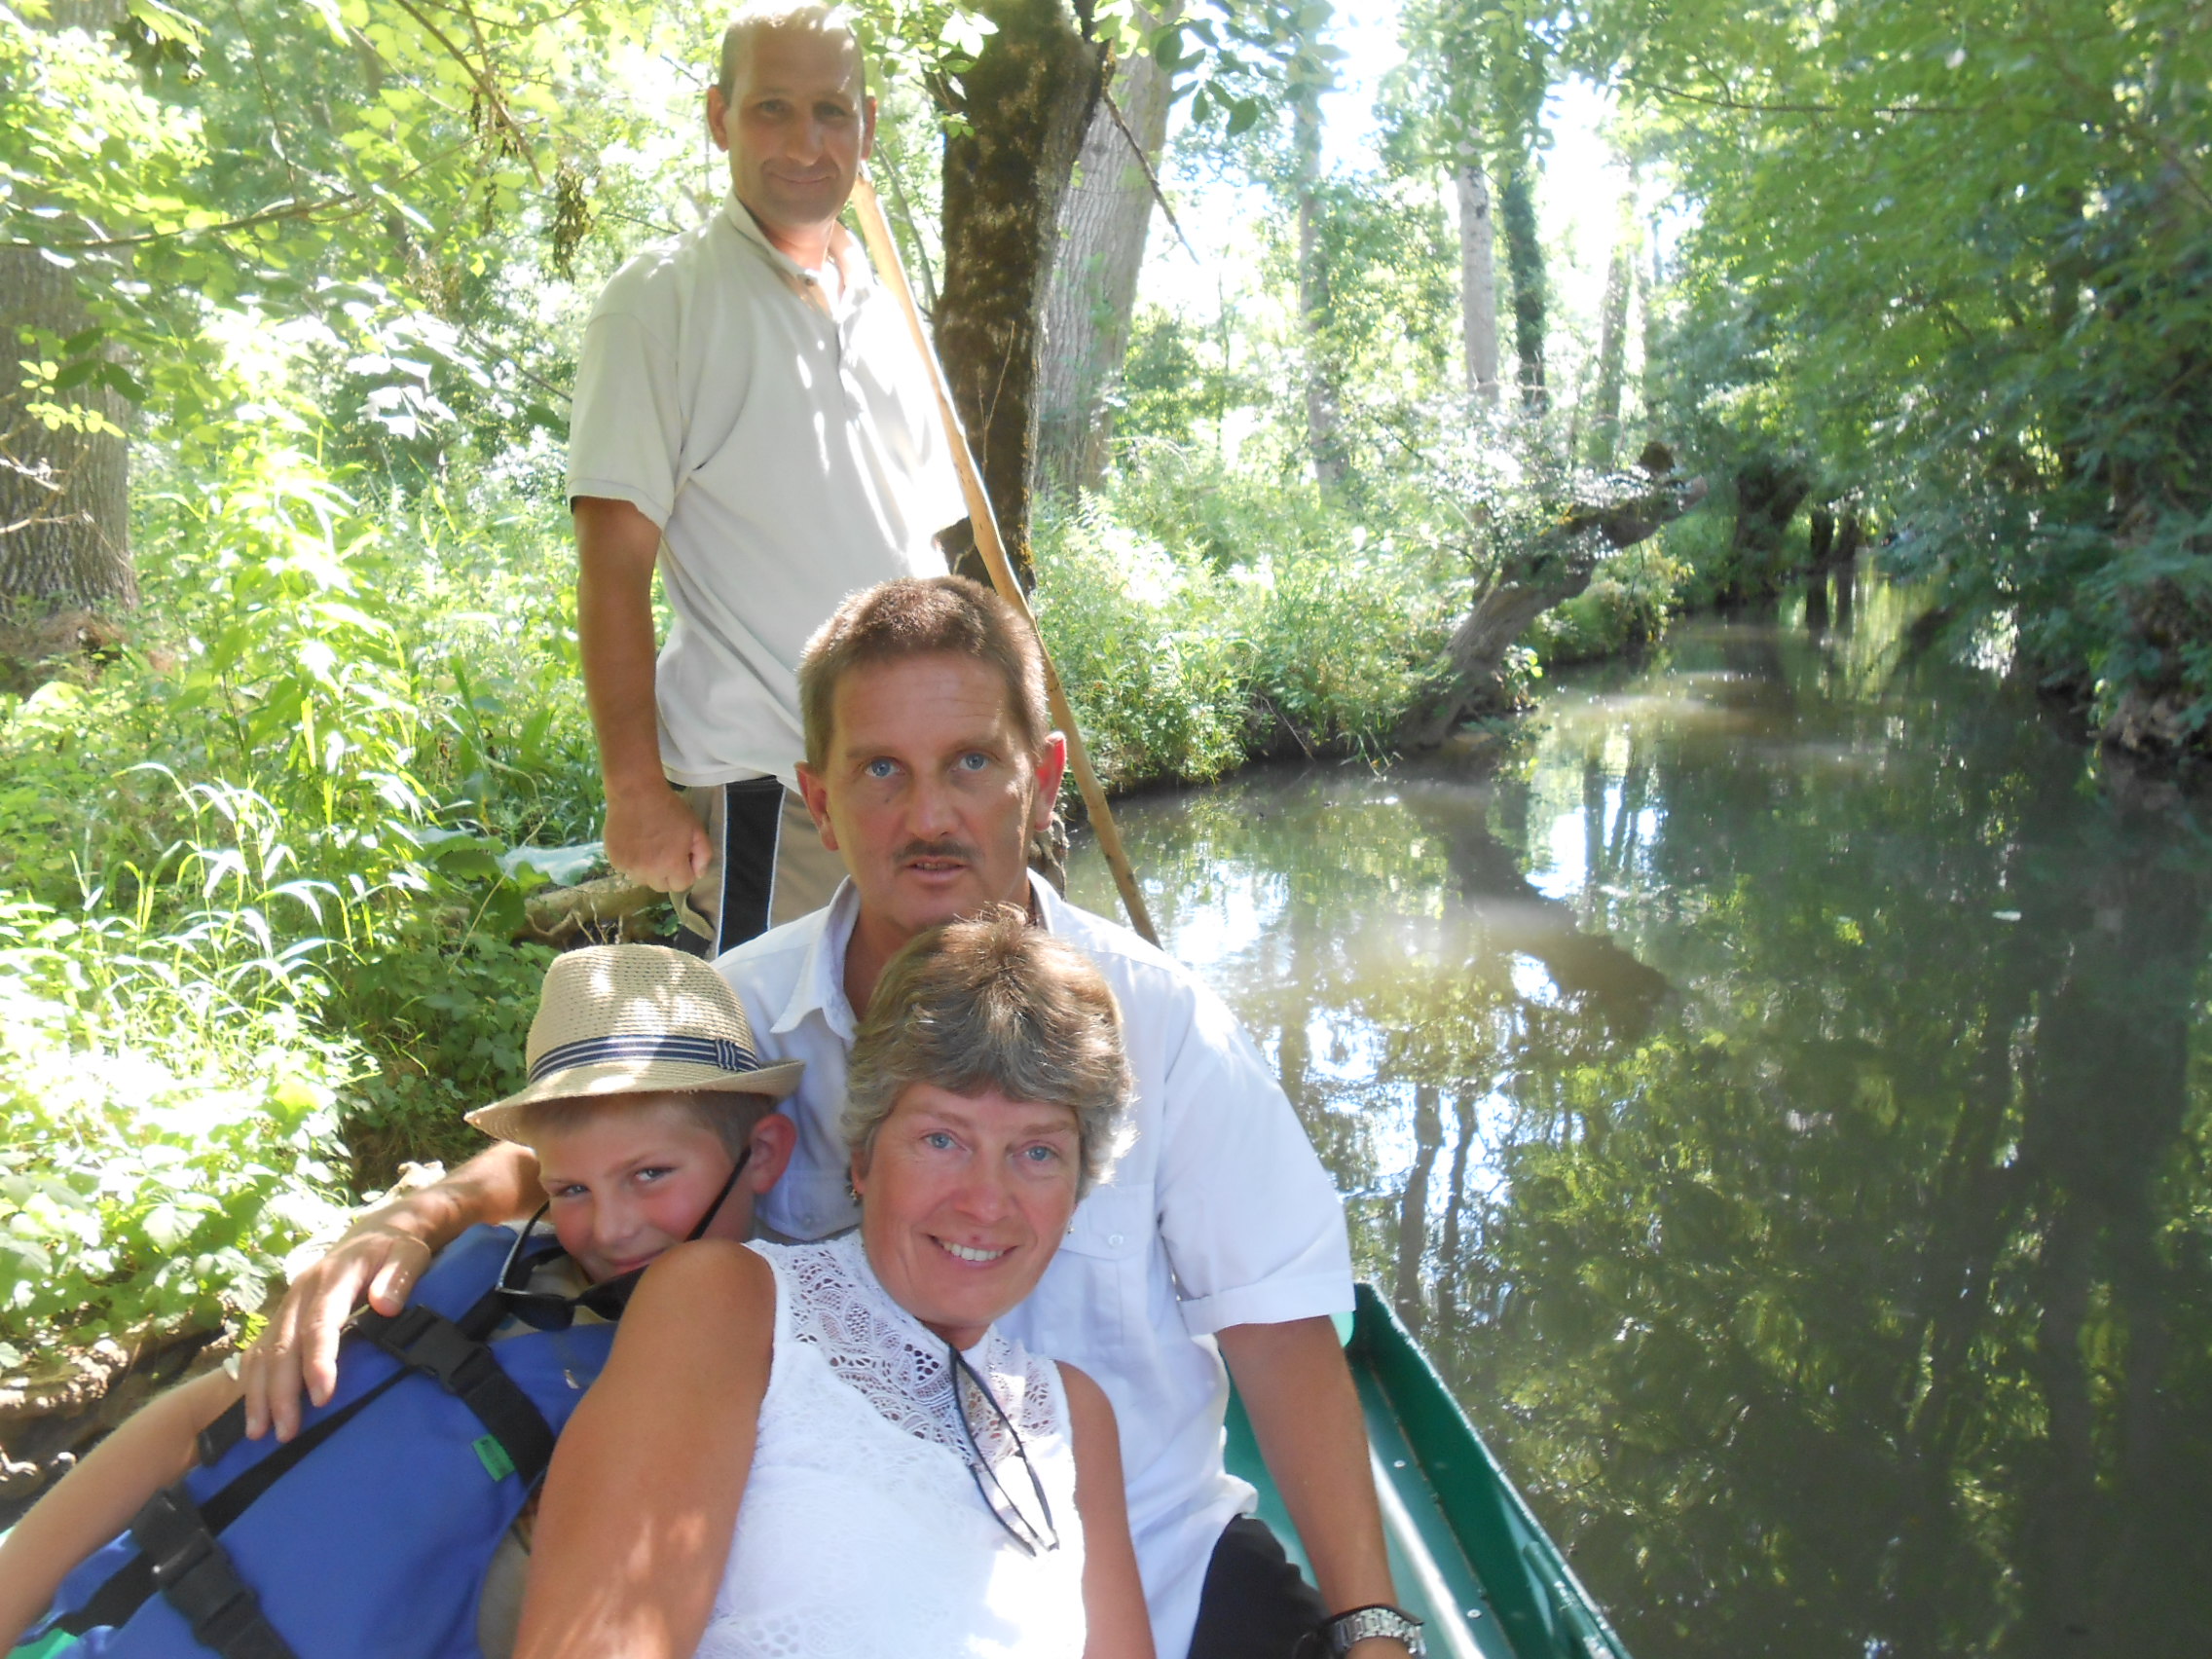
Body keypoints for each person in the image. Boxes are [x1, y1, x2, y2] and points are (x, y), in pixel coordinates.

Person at [245, 577, 1425, 1659]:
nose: (928, 816)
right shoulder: (746, 1010)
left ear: (1042, 777)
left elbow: (1277, 1332)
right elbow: (593, 1133)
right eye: (879, 771)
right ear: (816, 797)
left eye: (971, 763)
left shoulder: (1168, 1028)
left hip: (1155, 1555)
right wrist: (425, 1208)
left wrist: (1369, 1623)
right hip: (857, 1561)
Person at [0, 944, 801, 1655]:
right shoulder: (470, 1267)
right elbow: (197, 1427)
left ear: (763, 1153)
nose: (614, 1228)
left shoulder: (768, 1367)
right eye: (572, 1189)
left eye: (651, 1175)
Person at [512, 910, 1152, 1659]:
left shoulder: (1073, 1413)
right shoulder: (733, 1302)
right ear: (863, 1159)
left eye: (1038, 1153)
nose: (986, 1201)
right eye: (941, 1139)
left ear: (1079, 1187)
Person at [570, 0, 964, 955]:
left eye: (831, 112)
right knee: (776, 1083)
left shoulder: (886, 311)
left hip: (916, 790)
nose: (805, 140)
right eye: (771, 109)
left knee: (928, 1081)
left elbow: (930, 561)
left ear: (867, 126)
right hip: (770, 792)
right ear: (719, 118)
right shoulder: (660, 303)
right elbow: (612, 566)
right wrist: (636, 795)